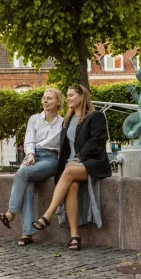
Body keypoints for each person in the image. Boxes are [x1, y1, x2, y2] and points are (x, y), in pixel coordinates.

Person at [32, 85, 111, 250]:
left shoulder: (95, 116)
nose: (67, 98)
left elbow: (96, 141)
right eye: (66, 96)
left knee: (69, 172)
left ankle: (48, 214)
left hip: (92, 163)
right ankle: (75, 235)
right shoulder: (67, 121)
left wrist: (79, 158)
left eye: (71, 95)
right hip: (71, 165)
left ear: (82, 97)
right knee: (72, 186)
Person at [0, 88, 64, 246]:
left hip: (51, 159)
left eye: (49, 98)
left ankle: (11, 213)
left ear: (58, 102)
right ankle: (27, 233)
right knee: (26, 185)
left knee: (22, 173)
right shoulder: (34, 119)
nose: (45, 101)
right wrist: (30, 155)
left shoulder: (63, 122)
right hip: (34, 156)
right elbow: (29, 141)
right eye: (44, 98)